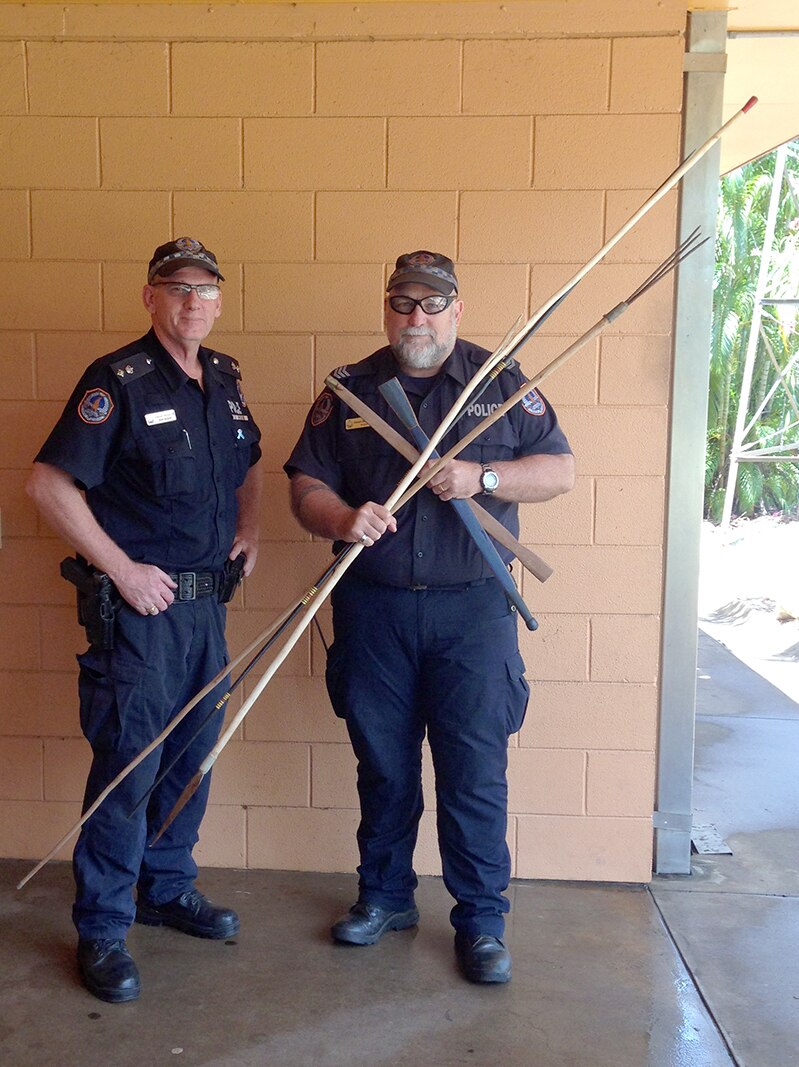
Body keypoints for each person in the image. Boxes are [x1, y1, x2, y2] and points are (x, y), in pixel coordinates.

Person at [285, 250, 574, 983]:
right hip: (373, 608)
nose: (417, 316)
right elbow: (303, 485)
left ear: (456, 309)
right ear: (387, 309)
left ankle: (480, 920)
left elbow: (558, 470)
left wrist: (481, 475)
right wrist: (343, 517)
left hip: (472, 611)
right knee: (382, 764)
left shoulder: (500, 383)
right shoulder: (350, 391)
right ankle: (384, 897)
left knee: (473, 767)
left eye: (432, 303)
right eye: (403, 302)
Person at [26, 238, 263, 1004]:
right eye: (176, 286)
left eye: (205, 287)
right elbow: (48, 483)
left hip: (205, 610)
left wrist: (251, 528)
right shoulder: (117, 382)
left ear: (220, 299)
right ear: (150, 298)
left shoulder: (223, 381)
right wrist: (122, 569)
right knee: (128, 767)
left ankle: (165, 887)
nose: (192, 299)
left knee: (193, 756)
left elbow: (249, 460)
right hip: (141, 616)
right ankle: (102, 927)